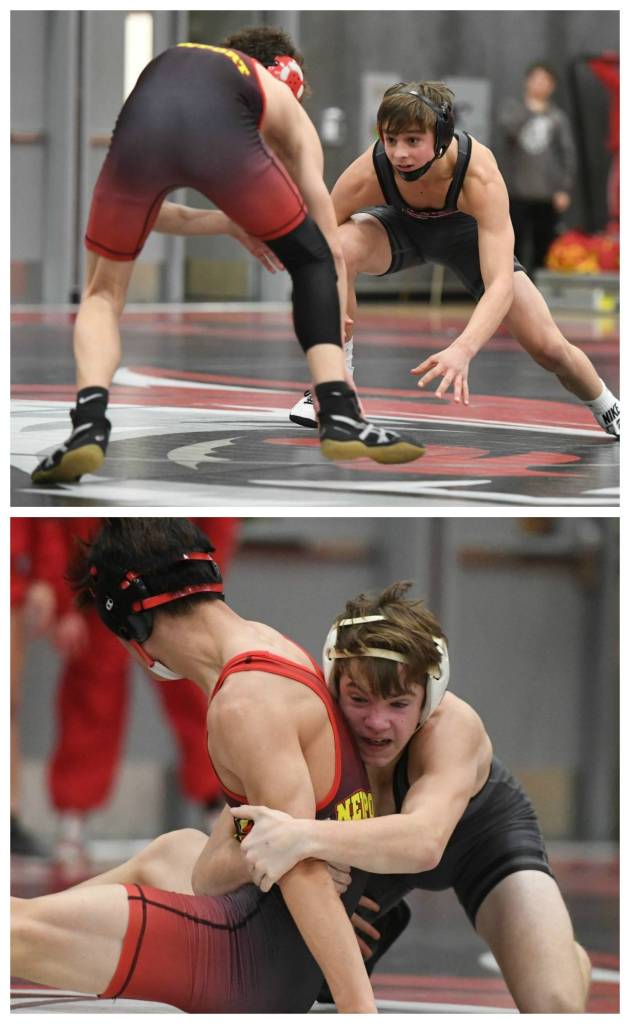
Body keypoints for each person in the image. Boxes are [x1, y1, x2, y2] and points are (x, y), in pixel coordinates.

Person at [11, 518, 376, 1013]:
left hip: (249, 965)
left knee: (15, 933)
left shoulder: (244, 704)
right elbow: (266, 844)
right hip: (278, 941)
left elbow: (300, 868)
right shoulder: (270, 646)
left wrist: (359, 1010)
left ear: (134, 633)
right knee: (176, 850)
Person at [30, 33, 426, 485]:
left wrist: (226, 222)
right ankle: (339, 412)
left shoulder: (180, 70)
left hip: (142, 123)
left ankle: (88, 424)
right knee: (310, 260)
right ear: (285, 82)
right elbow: (328, 247)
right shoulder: (282, 101)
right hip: (219, 131)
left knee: (100, 293)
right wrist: (333, 321)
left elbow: (149, 210)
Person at [229, 582, 593, 1013]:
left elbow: (424, 842)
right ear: (333, 686)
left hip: (479, 839)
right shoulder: (311, 724)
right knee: (302, 977)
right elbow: (233, 840)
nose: (376, 722)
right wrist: (314, 898)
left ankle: (568, 959)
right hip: (367, 852)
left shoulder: (452, 726)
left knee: (555, 1006)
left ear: (429, 699)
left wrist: (302, 838)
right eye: (359, 699)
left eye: (398, 704)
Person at [287, 80, 620, 440]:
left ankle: (608, 405)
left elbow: (500, 285)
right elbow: (320, 239)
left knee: (550, 348)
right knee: (338, 246)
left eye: (413, 141)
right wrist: (329, 306)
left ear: (442, 138)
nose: (399, 154)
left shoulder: (478, 174)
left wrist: (463, 348)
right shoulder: (371, 169)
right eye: (391, 139)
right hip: (401, 229)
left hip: (467, 239)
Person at [46, 518, 240, 865]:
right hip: (103, 576)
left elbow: (217, 518)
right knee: (90, 697)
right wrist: (66, 602)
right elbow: (63, 520)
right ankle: (73, 818)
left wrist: (200, 585)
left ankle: (218, 807)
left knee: (198, 691)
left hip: (174, 585)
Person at [499, 61, 576, 273]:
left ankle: (538, 290)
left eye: (545, 81)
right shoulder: (514, 110)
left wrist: (563, 188)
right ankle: (512, 287)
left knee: (545, 247)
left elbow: (567, 154)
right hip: (516, 192)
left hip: (547, 195)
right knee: (512, 247)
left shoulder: (557, 117)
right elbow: (508, 131)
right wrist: (529, 110)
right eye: (536, 79)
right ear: (527, 81)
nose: (540, 84)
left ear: (552, 86)